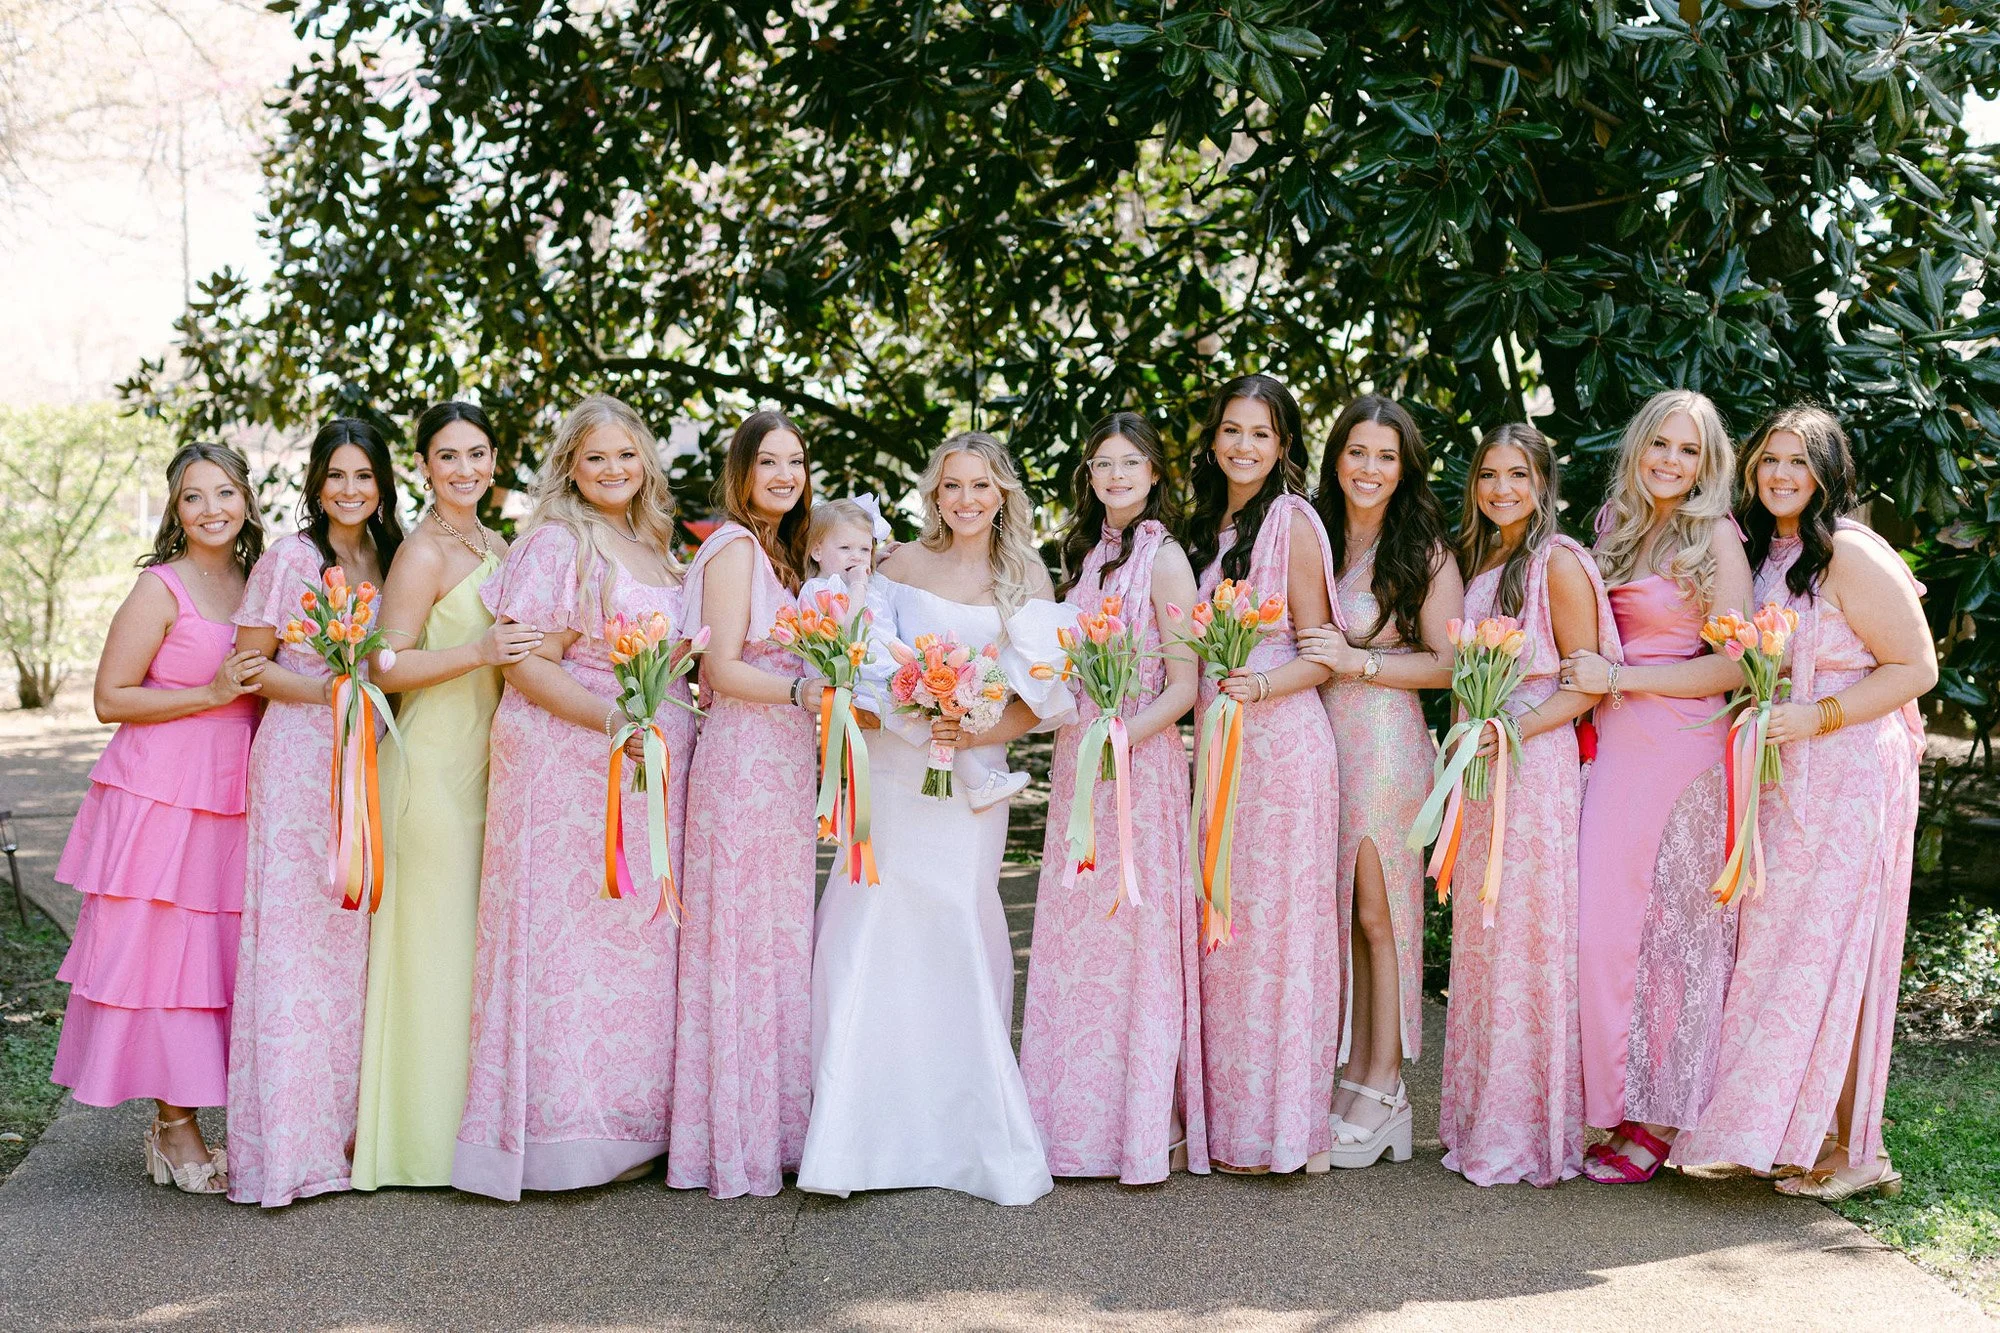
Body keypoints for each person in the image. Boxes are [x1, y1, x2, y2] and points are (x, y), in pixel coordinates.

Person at [1670, 406, 1933, 1201]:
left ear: (1828, 472)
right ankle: (1795, 1129)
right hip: (1785, 777)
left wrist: (1816, 716)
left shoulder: (1847, 552)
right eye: (1769, 461)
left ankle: (1860, 1150)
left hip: (1850, 770)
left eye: (1799, 462)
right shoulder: (1766, 553)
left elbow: (1915, 666)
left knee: (1843, 952)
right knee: (1784, 953)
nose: (1782, 475)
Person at [796, 431, 1067, 1205]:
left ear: (1003, 491)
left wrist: (971, 725)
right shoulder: (896, 564)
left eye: (981, 485)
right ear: (934, 493)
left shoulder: (1025, 577)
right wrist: (902, 706)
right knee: (872, 919)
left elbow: (1040, 703)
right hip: (891, 774)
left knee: (955, 921)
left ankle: (965, 1137)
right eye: (953, 486)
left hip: (968, 778)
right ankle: (856, 1133)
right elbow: (857, 656)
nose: (967, 499)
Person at [454, 395, 693, 1199]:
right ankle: (562, 1137)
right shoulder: (559, 542)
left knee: (638, 939)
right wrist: (611, 720)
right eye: (596, 458)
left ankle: (634, 1125)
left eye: (627, 455)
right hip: (568, 761)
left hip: (648, 762)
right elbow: (524, 661)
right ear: (569, 467)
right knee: (568, 942)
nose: (614, 470)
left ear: (647, 461)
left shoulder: (656, 544)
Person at [50, 442, 266, 1194]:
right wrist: (208, 694)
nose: (212, 509)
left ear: (247, 499)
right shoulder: (160, 588)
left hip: (235, 787)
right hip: (161, 792)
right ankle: (175, 1126)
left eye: (225, 493)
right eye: (194, 497)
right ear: (176, 511)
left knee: (221, 953)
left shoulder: (256, 579)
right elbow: (111, 697)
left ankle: (214, 1113)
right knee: (169, 958)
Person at [1556, 390, 1752, 1183]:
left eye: (1689, 450)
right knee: (1605, 933)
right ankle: (1614, 1099)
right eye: (1660, 445)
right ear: (1638, 447)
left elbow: (1738, 664)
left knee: (1674, 937)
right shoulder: (1615, 529)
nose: (1672, 461)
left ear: (1708, 464)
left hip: (1685, 749)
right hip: (1618, 749)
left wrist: (1625, 676)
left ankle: (1661, 1118)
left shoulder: (1717, 538)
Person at [351, 401, 539, 1190]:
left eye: (478, 454)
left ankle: (473, 1133)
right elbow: (379, 667)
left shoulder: (500, 544)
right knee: (431, 951)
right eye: (448, 457)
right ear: (424, 468)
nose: (465, 469)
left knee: (473, 954)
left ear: (495, 462)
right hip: (428, 768)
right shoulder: (423, 552)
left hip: (490, 768)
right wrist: (476, 650)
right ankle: (416, 1144)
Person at [1018, 411, 1207, 1183]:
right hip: (1077, 760)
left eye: (1131, 463)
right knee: (1077, 940)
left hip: (1139, 760)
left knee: (1133, 936)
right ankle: (1071, 1119)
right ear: (1089, 475)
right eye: (1103, 463)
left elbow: (1189, 685)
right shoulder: (1083, 557)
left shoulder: (1164, 562)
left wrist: (1123, 736)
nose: (1117, 476)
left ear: (1155, 473)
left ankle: (1143, 1121)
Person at [228, 418, 405, 1206]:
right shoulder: (291, 558)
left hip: (365, 759)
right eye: (336, 475)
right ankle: (288, 1151)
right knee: (296, 947)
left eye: (363, 475)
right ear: (315, 482)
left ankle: (349, 1134)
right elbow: (250, 665)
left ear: (383, 483)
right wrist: (338, 692)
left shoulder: (389, 558)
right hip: (300, 758)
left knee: (352, 946)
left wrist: (361, 702)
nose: (349, 489)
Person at [1436, 423, 1614, 1188]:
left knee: (1526, 941)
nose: (1501, 488)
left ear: (1544, 482)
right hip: (1483, 768)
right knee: (1484, 938)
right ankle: (1484, 1119)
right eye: (1488, 476)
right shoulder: (1489, 559)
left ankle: (1532, 1130)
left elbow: (1588, 681)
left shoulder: (1558, 562)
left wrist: (1509, 728)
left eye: (1517, 475)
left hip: (1532, 768)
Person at [1178, 373, 1344, 1176]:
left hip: (1281, 745)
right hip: (1222, 741)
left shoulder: (1290, 521)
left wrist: (1259, 687)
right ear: (1214, 439)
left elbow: (1320, 652)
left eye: (1261, 433)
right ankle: (1228, 1124)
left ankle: (1280, 1130)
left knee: (1275, 935)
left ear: (1283, 446)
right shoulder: (1211, 527)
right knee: (1225, 930)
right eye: (1231, 431)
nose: (1244, 446)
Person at [1297, 395, 1461, 1169]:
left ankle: (1388, 1086)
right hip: (1321, 743)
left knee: (1379, 911)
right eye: (1357, 452)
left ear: (1405, 469)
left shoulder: (1421, 549)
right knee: (1339, 912)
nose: (1369, 468)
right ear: (1336, 458)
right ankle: (1355, 1070)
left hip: (1388, 742)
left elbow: (1450, 662)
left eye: (1386, 456)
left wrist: (1358, 663)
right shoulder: (1313, 537)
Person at [667, 411, 822, 1199]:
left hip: (788, 762)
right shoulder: (731, 547)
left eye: (796, 461)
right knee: (741, 937)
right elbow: (720, 669)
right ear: (742, 471)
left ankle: (780, 1125)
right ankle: (734, 1136)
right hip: (743, 759)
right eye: (770, 462)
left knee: (778, 937)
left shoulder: (787, 555)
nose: (786, 475)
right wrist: (804, 688)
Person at [801, 499, 1030, 811]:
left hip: (884, 666)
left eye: (864, 549)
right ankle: (979, 782)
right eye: (845, 549)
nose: (856, 558)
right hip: (865, 676)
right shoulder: (820, 589)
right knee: (927, 715)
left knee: (932, 711)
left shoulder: (850, 581)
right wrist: (858, 584)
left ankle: (973, 782)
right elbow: (846, 625)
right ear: (816, 551)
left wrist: (876, 560)